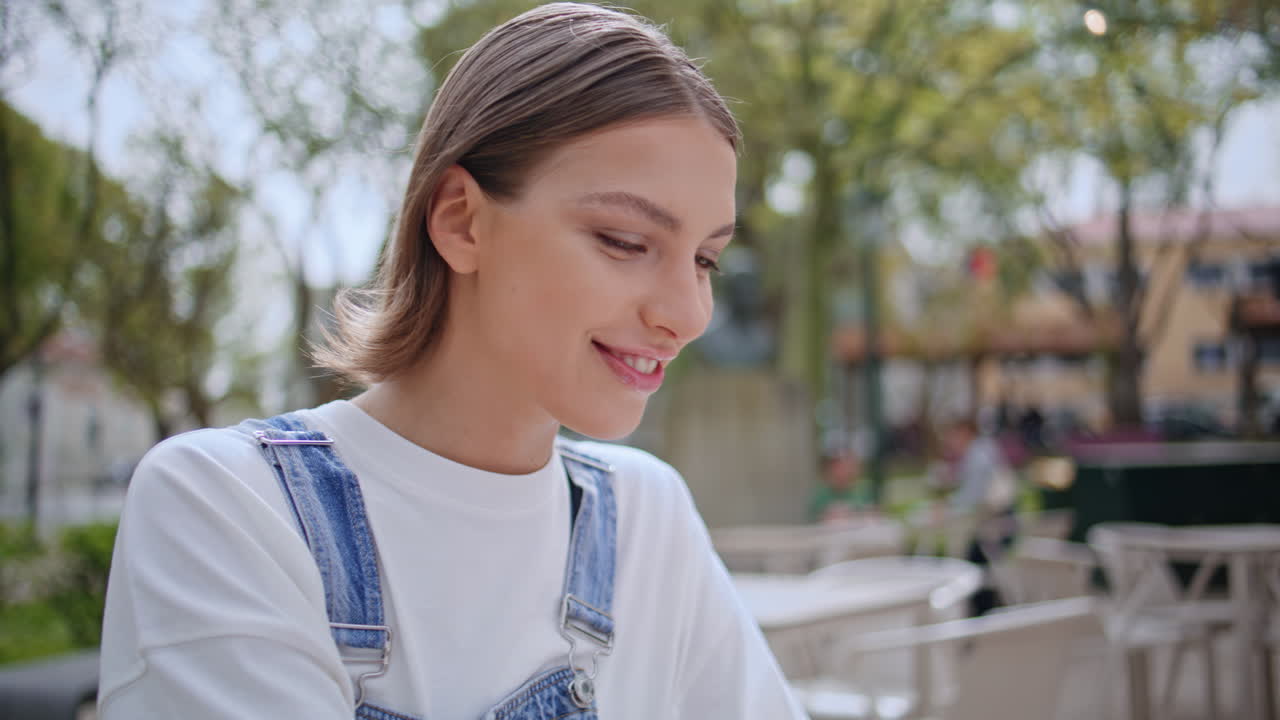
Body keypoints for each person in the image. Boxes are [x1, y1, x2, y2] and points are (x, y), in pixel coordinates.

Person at [95, 5, 806, 719]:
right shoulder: (228, 506)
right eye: (624, 240)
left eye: (707, 258)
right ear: (461, 220)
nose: (687, 315)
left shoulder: (649, 519)